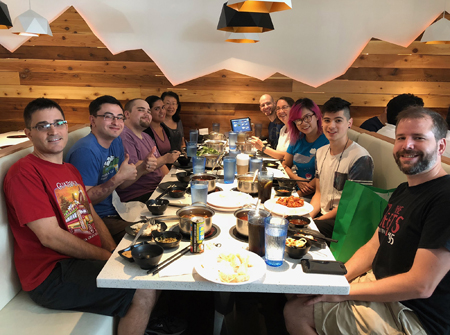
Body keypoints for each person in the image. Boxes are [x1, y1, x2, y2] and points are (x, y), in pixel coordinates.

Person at [2, 98, 178, 335]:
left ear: (66, 126)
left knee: (148, 262)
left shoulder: (68, 169)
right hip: (51, 275)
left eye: (58, 123)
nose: (53, 131)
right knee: (142, 288)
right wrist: (107, 257)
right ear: (28, 133)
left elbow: (91, 214)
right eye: (42, 126)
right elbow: (50, 237)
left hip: (81, 260)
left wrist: (111, 251)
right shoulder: (24, 173)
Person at [284, 106, 450, 335]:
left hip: (413, 314)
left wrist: (341, 292)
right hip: (380, 284)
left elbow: (421, 285)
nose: (407, 145)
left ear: (441, 145)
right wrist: (337, 281)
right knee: (297, 289)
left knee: (295, 312)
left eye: (419, 138)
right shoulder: (404, 190)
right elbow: (374, 246)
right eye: (401, 137)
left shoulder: (445, 197)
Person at [66, 95, 158, 243]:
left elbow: (122, 184)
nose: (116, 122)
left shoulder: (116, 142)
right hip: (97, 219)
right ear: (93, 120)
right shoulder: (85, 151)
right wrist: (118, 178)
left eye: (119, 117)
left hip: (117, 209)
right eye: (109, 117)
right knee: (149, 240)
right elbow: (85, 202)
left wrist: (142, 168)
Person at [310, 97, 374, 238]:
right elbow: (319, 193)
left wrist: (315, 222)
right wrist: (308, 217)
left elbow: (352, 206)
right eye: (327, 120)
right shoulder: (320, 152)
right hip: (322, 217)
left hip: (345, 222)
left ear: (349, 123)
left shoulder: (361, 158)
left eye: (338, 120)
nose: (331, 126)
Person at [117, 98, 180, 203]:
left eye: (148, 111)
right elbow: (131, 170)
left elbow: (161, 165)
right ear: (127, 114)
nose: (146, 114)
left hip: (157, 189)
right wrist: (165, 159)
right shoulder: (124, 136)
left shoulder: (146, 136)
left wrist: (170, 181)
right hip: (138, 196)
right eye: (141, 110)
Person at [283, 98, 329, 197]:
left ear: (317, 116)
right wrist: (296, 179)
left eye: (307, 117)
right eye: (298, 120)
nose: (303, 123)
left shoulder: (327, 141)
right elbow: (285, 165)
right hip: (296, 190)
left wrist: (292, 198)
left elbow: (320, 179)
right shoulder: (296, 139)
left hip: (317, 196)